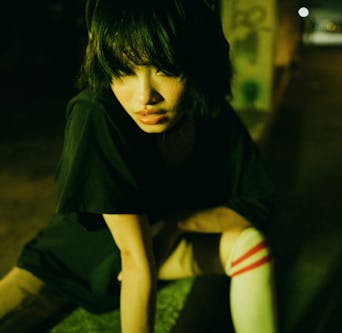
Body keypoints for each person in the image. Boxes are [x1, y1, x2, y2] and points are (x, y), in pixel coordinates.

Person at [0, 0, 278, 332]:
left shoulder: (209, 112)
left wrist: (179, 223)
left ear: (196, 61)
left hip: (157, 251)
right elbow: (134, 259)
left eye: (165, 68)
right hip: (68, 264)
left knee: (250, 245)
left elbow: (256, 203)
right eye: (124, 69)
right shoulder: (97, 113)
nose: (144, 96)